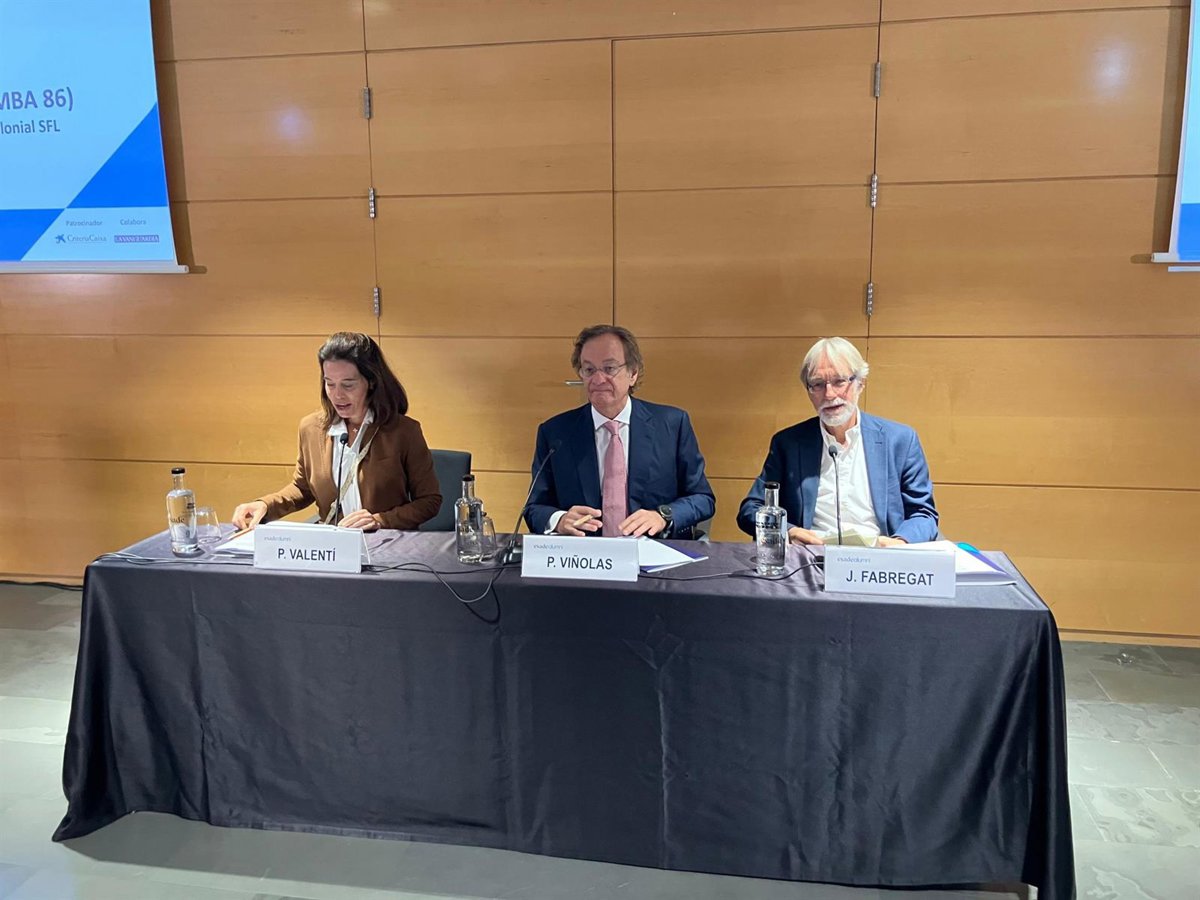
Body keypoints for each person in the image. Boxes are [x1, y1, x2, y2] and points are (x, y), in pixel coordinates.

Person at [737, 336, 937, 546]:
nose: (829, 394)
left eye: (839, 381)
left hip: (880, 556)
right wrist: (789, 531)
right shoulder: (788, 443)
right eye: (817, 384)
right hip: (811, 556)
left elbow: (924, 514)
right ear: (808, 390)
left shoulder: (900, 441)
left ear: (860, 383)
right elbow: (751, 509)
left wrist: (900, 542)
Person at [232, 332, 441, 532]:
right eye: (330, 384)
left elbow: (429, 501)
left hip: (385, 542)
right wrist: (265, 504)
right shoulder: (311, 428)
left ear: (371, 382)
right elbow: (302, 489)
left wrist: (379, 520)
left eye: (348, 385)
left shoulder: (404, 431)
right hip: (332, 544)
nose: (337, 395)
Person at [524, 324, 715, 539]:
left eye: (609, 368)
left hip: (653, 552)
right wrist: (559, 520)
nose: (598, 380)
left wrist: (663, 516)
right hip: (583, 554)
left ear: (633, 373)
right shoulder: (555, 432)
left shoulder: (672, 425)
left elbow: (702, 498)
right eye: (589, 370)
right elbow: (534, 508)